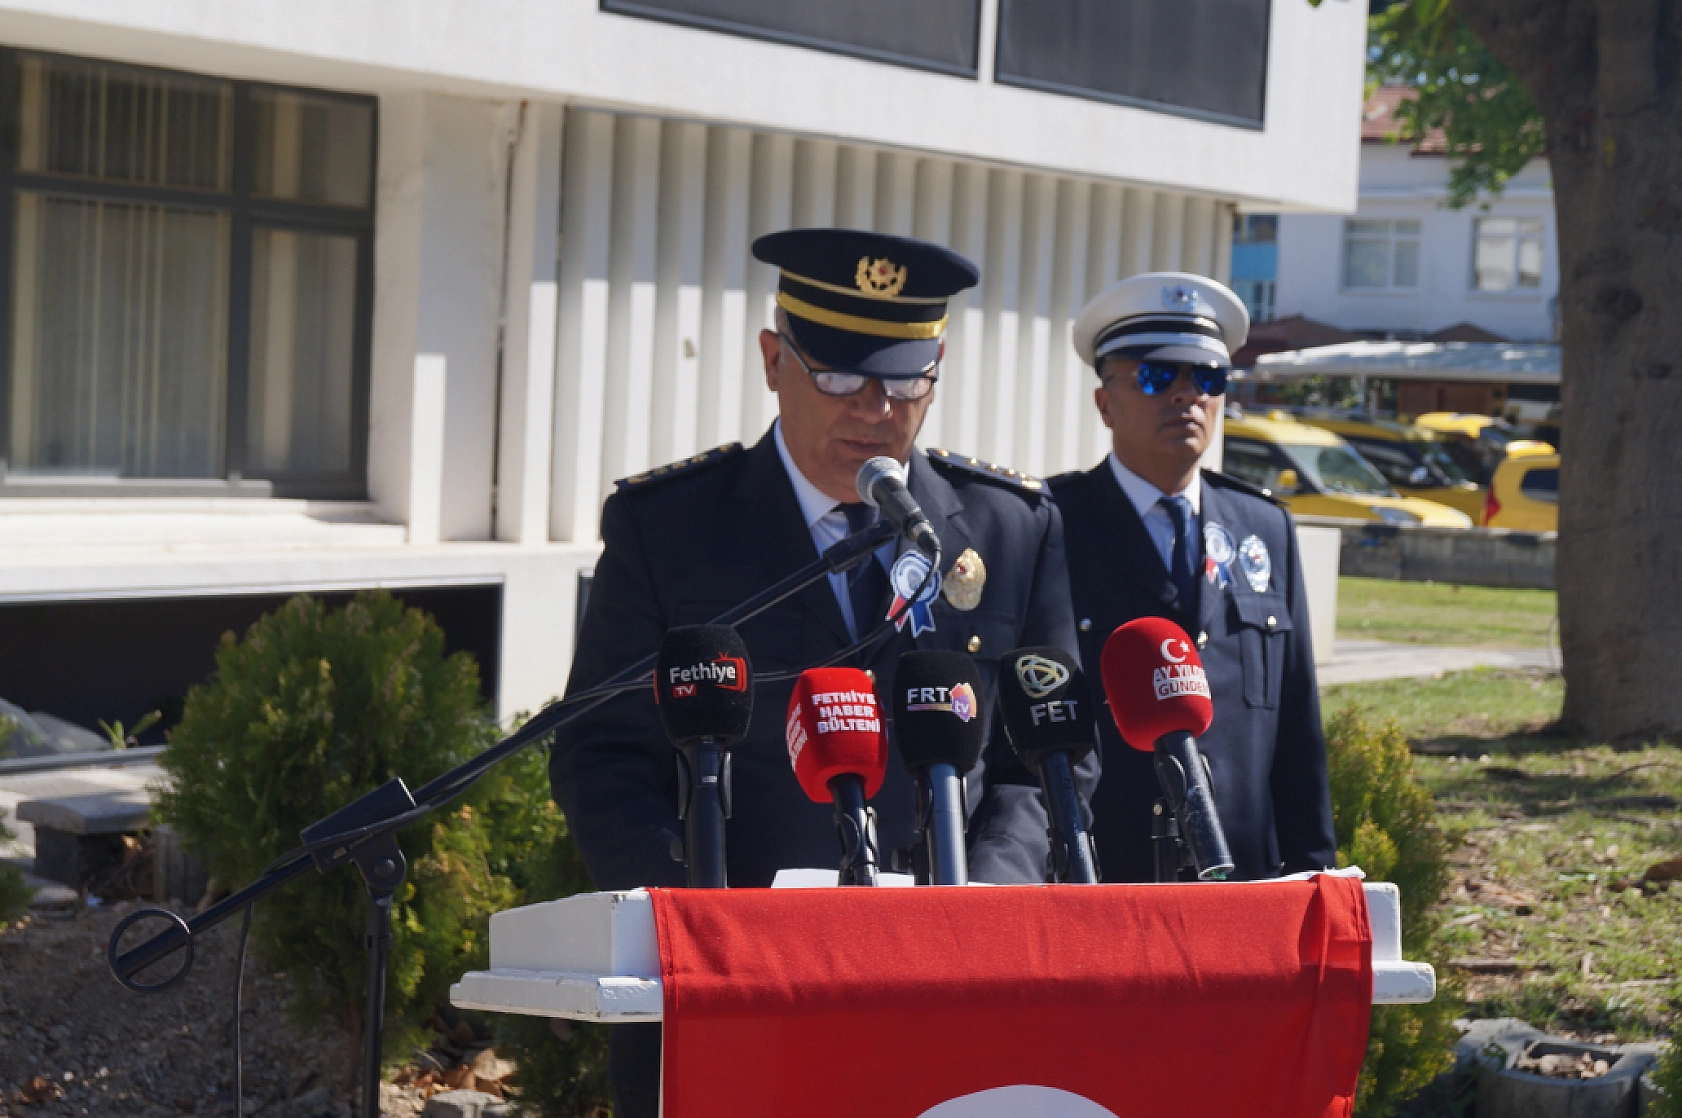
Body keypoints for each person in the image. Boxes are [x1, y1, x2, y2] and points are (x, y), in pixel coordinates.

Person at [550, 228, 1092, 1117]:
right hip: (735, 994)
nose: (875, 410)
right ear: (774, 360)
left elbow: (1050, 758)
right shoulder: (671, 528)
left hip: (954, 993)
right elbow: (601, 756)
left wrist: (989, 903)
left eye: (906, 380)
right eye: (838, 375)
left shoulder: (1008, 527)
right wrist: (701, 924)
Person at [1048, 272, 1336, 884]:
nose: (1187, 396)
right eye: (1157, 376)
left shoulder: (1264, 528)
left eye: (1207, 379)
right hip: (1102, 879)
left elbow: (1295, 733)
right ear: (1105, 403)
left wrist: (1313, 875)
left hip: (1242, 880)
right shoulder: (1052, 524)